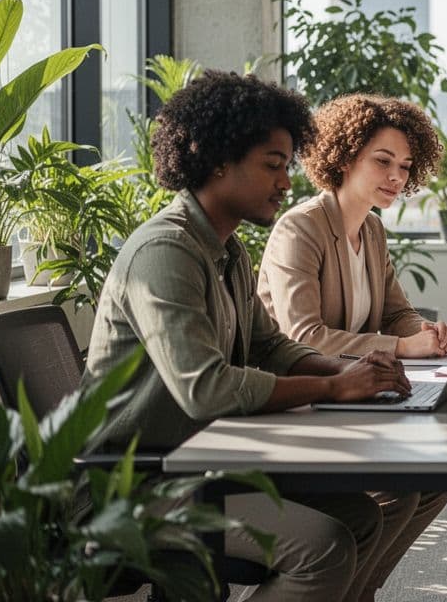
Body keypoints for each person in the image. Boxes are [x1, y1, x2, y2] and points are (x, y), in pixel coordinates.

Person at [84, 71, 414, 602]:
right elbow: (206, 389)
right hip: (138, 484)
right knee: (324, 546)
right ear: (218, 161)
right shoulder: (165, 252)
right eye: (273, 165)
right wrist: (332, 389)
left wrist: (346, 372)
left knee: (362, 515)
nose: (287, 182)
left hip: (205, 459)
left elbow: (269, 346)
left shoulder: (227, 249)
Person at [257, 94, 447, 600]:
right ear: (344, 156)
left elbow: (396, 312)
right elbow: (303, 335)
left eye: (405, 166)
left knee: (431, 483)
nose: (396, 176)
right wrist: (402, 346)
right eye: (382, 161)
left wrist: (426, 334)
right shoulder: (299, 229)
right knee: (396, 489)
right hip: (293, 405)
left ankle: (358, 592)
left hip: (349, 401)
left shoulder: (370, 229)